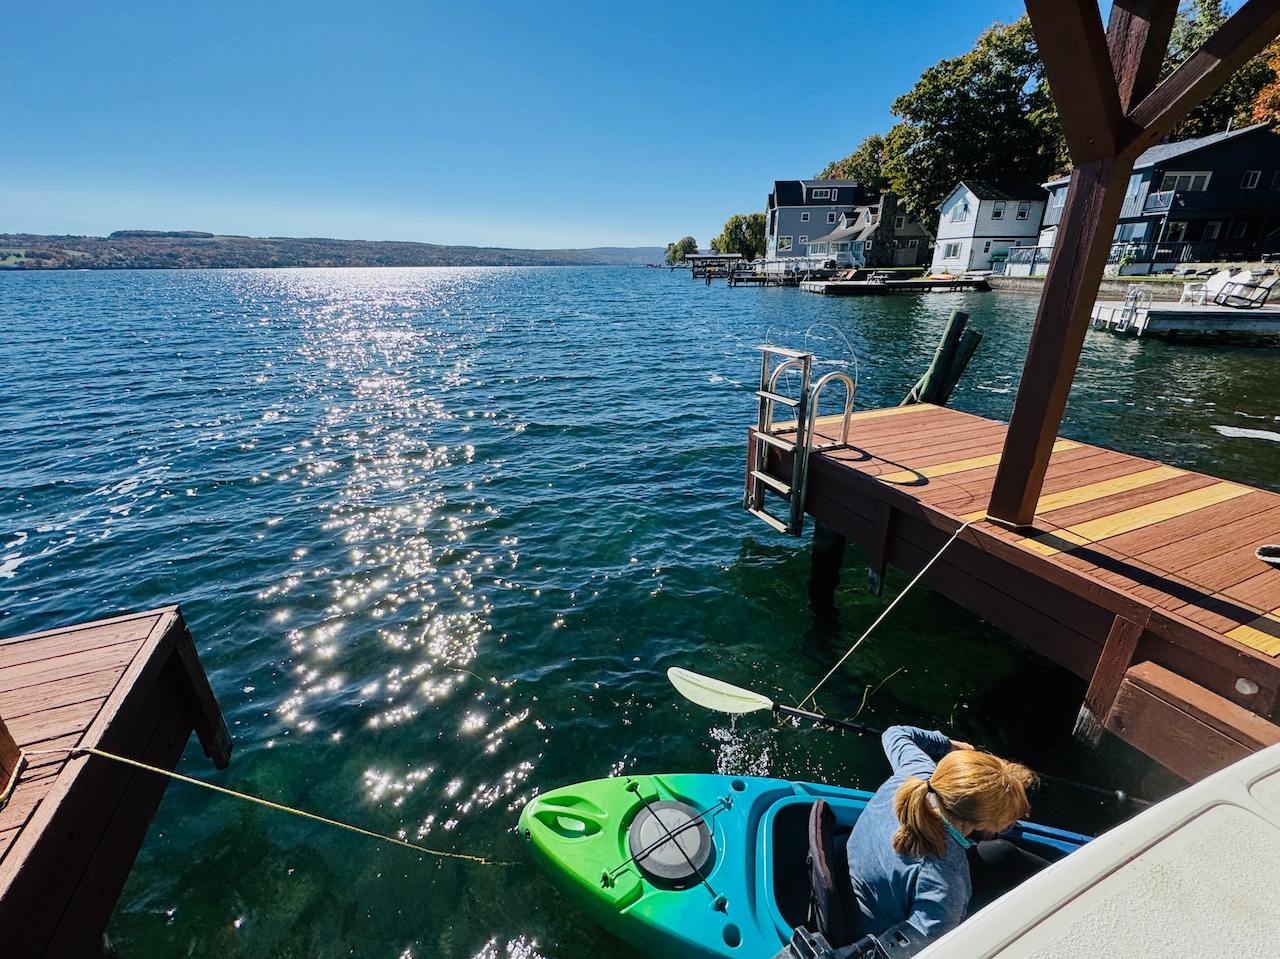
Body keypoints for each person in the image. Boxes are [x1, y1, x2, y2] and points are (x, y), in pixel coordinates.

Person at [845, 726, 1042, 953]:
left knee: (1003, 853)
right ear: (982, 824)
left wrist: (950, 745)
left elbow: (894, 733)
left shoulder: (918, 772)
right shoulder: (946, 883)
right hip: (873, 926)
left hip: (859, 879)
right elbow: (929, 950)